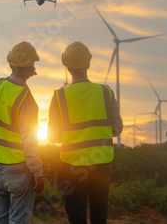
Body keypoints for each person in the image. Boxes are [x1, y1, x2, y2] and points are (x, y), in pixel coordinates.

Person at [48, 42, 123, 224]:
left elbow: (53, 137)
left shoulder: (59, 96)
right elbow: (116, 129)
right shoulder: (106, 92)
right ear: (88, 63)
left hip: (71, 166)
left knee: (77, 218)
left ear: (66, 66)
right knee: (99, 217)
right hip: (101, 165)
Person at [0, 41, 45, 224]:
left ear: (11, 63)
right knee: (18, 221)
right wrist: (37, 171)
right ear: (30, 68)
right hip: (19, 169)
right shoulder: (26, 99)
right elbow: (30, 141)